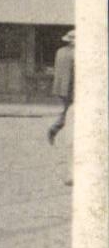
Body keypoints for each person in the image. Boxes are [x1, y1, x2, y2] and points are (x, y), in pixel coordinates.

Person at [48, 28, 75, 187]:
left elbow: (59, 74)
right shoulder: (75, 54)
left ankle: (55, 128)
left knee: (67, 112)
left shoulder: (60, 52)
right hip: (72, 91)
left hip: (62, 91)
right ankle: (55, 127)